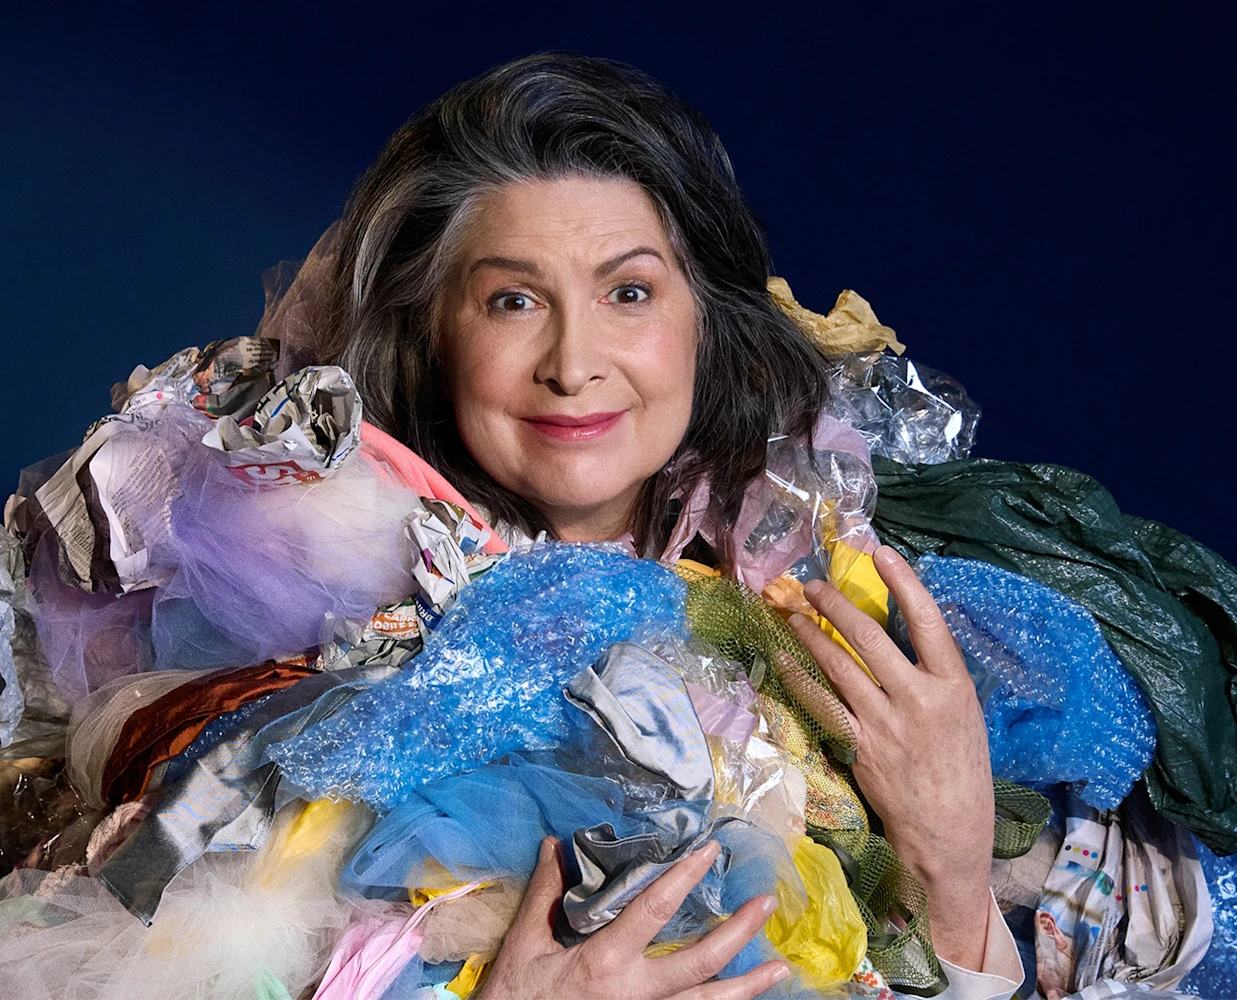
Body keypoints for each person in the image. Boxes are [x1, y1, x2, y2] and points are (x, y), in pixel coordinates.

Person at [309, 52, 1020, 999]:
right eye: (513, 301)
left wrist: (952, 867)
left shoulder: (827, 613)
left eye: (628, 293)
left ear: (704, 319)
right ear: (432, 334)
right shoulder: (323, 643)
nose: (573, 364)